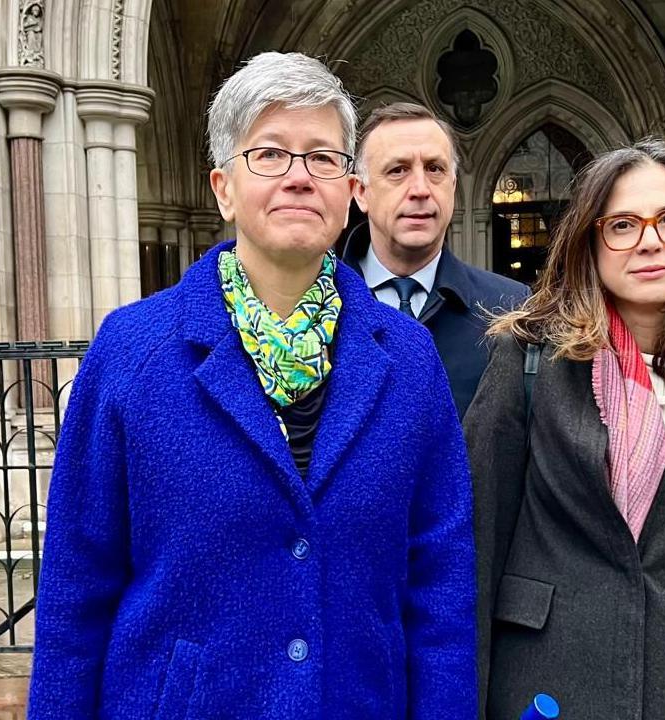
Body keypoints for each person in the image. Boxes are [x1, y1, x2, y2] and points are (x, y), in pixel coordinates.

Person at [27, 53, 476, 719]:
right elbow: (77, 585)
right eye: (269, 154)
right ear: (224, 188)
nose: (299, 176)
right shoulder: (132, 350)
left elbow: (440, 583)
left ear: (350, 189)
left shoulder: (408, 358)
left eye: (322, 157)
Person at [465, 138, 665, 719]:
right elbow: (477, 533)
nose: (649, 241)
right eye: (621, 225)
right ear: (590, 243)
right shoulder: (529, 359)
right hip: (548, 678)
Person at [343, 102, 528, 418]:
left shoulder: (510, 309)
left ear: (452, 187)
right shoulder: (318, 305)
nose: (420, 189)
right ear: (360, 192)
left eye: (435, 169)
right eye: (398, 170)